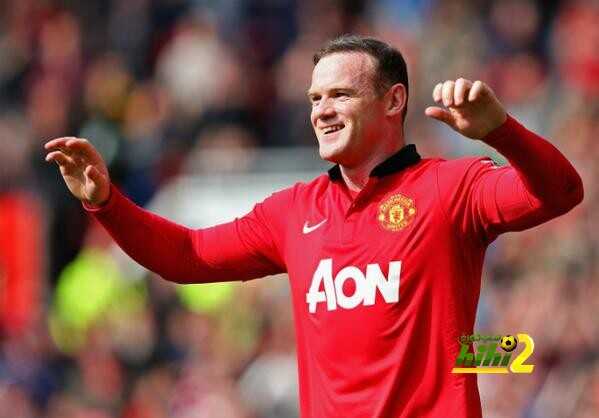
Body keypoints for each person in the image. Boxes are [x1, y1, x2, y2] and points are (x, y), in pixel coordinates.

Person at [44, 35, 583, 418]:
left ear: (393, 100)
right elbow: (186, 256)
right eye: (315, 99)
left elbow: (561, 192)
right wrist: (107, 203)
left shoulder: (450, 188)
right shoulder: (292, 212)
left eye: (340, 95)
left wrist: (502, 132)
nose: (322, 110)